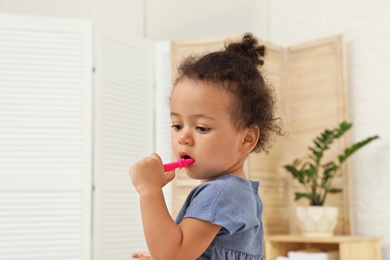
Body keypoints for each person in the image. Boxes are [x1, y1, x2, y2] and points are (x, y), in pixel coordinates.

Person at [129, 33, 282, 260]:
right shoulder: (234, 191)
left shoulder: (222, 192)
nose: (184, 138)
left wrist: (149, 190)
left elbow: (172, 255)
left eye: (201, 128)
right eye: (177, 125)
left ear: (247, 139)